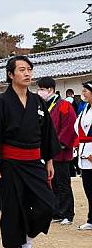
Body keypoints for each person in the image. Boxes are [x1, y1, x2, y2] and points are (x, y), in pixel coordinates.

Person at [0, 55, 60, 248]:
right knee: (13, 208)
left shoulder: (38, 102)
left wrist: (49, 160)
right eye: (22, 69)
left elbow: (47, 133)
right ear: (10, 74)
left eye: (29, 69)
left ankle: (26, 241)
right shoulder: (1, 103)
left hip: (34, 161)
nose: (27, 73)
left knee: (47, 204)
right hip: (9, 162)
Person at [37, 77, 77, 225]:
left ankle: (67, 212)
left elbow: (69, 127)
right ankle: (57, 211)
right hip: (47, 153)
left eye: (41, 89)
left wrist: (57, 145)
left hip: (60, 153)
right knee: (51, 184)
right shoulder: (43, 106)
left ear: (50, 90)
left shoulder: (64, 105)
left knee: (63, 184)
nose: (39, 91)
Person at [75, 81, 92, 230]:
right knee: (88, 188)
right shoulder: (84, 109)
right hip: (84, 151)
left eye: (86, 90)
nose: (83, 93)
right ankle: (91, 218)